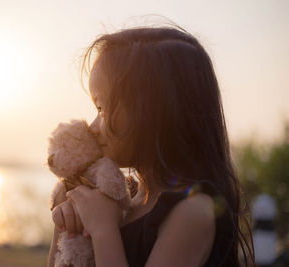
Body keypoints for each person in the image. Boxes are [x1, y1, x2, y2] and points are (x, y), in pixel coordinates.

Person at [48, 23, 255, 267]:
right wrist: (64, 224)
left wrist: (104, 230)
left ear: (153, 113)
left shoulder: (192, 212)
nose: (92, 127)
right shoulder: (124, 201)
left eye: (102, 109)